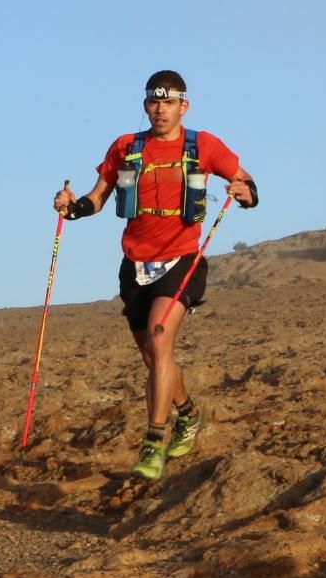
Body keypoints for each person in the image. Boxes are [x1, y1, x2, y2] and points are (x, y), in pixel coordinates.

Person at [53, 70, 257, 481]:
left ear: (184, 106)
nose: (160, 110)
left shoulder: (204, 145)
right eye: (153, 102)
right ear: (146, 105)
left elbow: (246, 181)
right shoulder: (126, 147)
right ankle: (188, 414)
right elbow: (98, 196)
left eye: (168, 102)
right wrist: (71, 208)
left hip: (182, 258)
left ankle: (153, 442)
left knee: (161, 338)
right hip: (135, 263)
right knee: (152, 356)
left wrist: (246, 194)